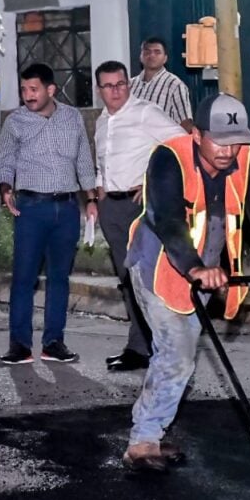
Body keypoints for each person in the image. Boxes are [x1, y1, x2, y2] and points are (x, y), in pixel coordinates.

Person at [122, 93, 250, 472]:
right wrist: (196, 267)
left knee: (178, 356)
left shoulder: (248, 161)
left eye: (236, 140)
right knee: (178, 354)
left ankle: (151, 427)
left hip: (206, 269)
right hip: (160, 267)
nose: (228, 150)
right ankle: (143, 442)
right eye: (219, 139)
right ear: (197, 134)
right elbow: (168, 220)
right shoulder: (168, 158)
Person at [0, 63, 98, 365]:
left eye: (34, 89)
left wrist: (91, 199)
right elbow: (4, 161)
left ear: (50, 89)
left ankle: (54, 342)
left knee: (59, 278)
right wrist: (4, 187)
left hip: (66, 208)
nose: (28, 95)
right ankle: (19, 345)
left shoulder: (72, 117)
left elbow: (83, 161)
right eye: (24, 90)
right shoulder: (15, 122)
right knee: (24, 277)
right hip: (31, 208)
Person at [94, 59, 185, 372]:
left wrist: (152, 185)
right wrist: (99, 189)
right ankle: (139, 347)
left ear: (128, 85)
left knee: (147, 280)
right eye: (108, 86)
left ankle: (158, 348)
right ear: (100, 90)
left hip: (140, 207)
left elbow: (181, 146)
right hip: (112, 208)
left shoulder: (145, 112)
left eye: (120, 84)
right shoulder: (102, 121)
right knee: (127, 280)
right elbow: (103, 162)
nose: (115, 91)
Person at [129, 36, 194, 131]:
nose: (151, 55)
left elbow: (185, 123)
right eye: (147, 52)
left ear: (165, 58)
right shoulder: (130, 85)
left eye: (157, 52)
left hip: (162, 143)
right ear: (140, 57)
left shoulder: (175, 85)